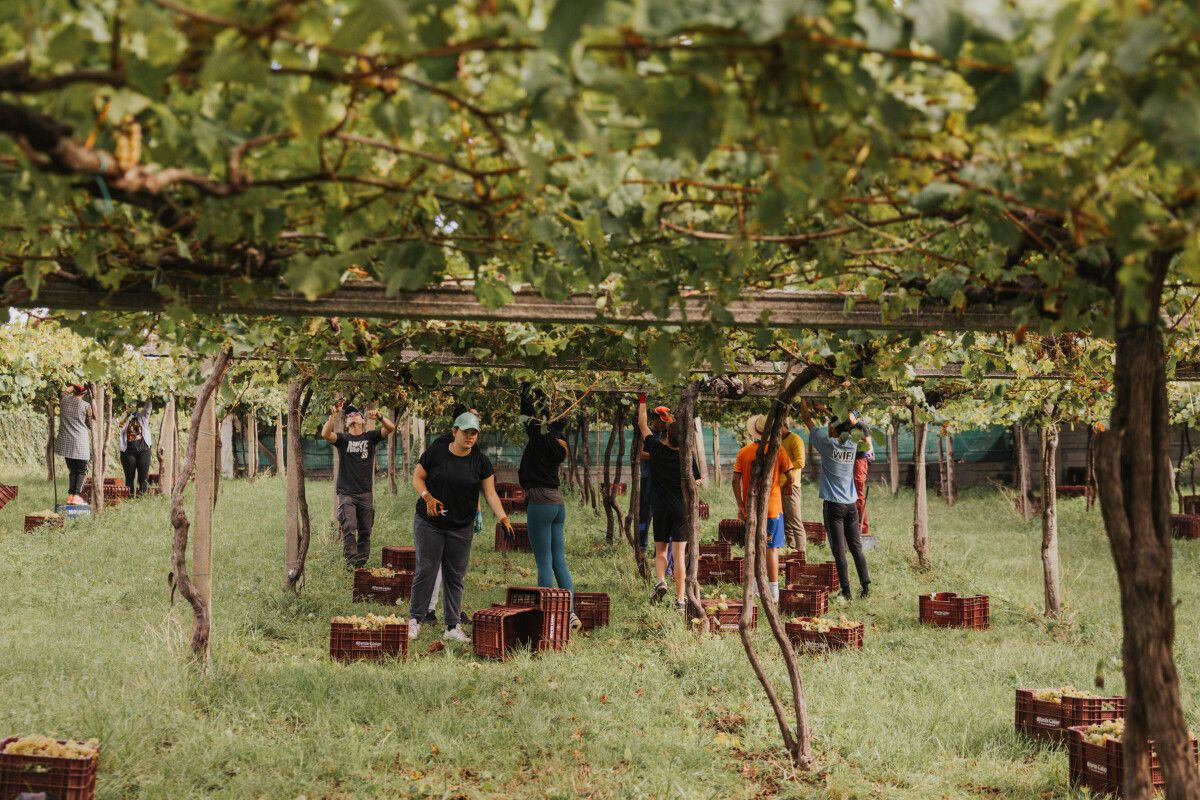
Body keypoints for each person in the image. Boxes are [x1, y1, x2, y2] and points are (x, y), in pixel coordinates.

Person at [410, 411, 514, 642]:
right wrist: (427, 498)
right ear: (455, 431)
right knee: (426, 570)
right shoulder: (437, 452)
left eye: (474, 433)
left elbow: (490, 493)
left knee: (455, 575)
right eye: (466, 432)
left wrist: (504, 518)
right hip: (430, 523)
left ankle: (452, 626)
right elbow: (417, 478)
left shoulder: (480, 461)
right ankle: (414, 620)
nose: (470, 437)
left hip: (461, 526)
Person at [518, 385, 580, 631]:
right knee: (558, 560)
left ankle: (547, 615)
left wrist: (525, 390)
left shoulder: (541, 437)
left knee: (543, 562)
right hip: (557, 502)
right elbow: (540, 419)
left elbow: (528, 417)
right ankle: (570, 612)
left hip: (541, 501)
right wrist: (542, 397)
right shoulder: (561, 443)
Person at [800, 400, 871, 600]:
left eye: (829, 425)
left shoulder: (827, 444)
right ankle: (865, 587)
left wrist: (803, 399)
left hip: (834, 506)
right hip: (851, 505)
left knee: (839, 549)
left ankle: (846, 591)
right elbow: (852, 424)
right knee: (856, 546)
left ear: (832, 429)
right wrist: (827, 409)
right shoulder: (852, 444)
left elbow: (807, 420)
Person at [636, 395, 700, 609]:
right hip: (681, 509)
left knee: (660, 550)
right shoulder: (686, 457)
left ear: (664, 433)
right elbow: (697, 481)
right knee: (679, 555)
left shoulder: (655, 448)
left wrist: (642, 399)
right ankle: (681, 600)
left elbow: (642, 424)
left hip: (660, 507)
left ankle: (661, 580)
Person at [423, 402, 478, 626]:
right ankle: (427, 609)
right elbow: (422, 477)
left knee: (455, 570)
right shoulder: (439, 447)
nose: (473, 430)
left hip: (460, 518)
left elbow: (474, 484)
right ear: (457, 426)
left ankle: (452, 613)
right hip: (439, 517)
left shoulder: (472, 449)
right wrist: (429, 500)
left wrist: (477, 510)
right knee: (434, 564)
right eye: (470, 422)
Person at [321, 400, 395, 568]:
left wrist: (380, 416)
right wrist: (333, 414)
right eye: (348, 415)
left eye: (355, 414)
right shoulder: (343, 439)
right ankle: (351, 563)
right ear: (346, 423)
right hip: (346, 493)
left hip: (365, 493)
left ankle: (361, 565)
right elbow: (326, 434)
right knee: (349, 526)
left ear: (363, 420)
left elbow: (390, 428)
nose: (351, 416)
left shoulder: (370, 437)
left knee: (365, 530)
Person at [732, 414, 793, 603]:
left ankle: (757, 586)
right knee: (771, 549)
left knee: (754, 547)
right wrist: (782, 488)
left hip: (751, 507)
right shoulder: (777, 450)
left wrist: (741, 505)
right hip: (773, 507)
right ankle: (773, 591)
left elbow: (735, 480)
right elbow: (790, 476)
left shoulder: (744, 452)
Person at [637, 406, 670, 551]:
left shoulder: (666, 434)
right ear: (655, 419)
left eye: (665, 422)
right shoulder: (646, 434)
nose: (663, 424)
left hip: (661, 478)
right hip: (648, 477)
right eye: (662, 421)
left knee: (661, 512)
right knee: (645, 512)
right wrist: (658, 455)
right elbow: (641, 454)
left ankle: (660, 547)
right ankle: (642, 545)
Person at [54, 384, 91, 505]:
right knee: (82, 471)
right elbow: (90, 425)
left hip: (66, 443)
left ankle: (71, 496)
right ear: (84, 394)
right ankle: (76, 495)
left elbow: (63, 393)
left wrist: (70, 388)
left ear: (73, 391)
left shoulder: (64, 401)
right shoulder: (86, 406)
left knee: (73, 470)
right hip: (80, 442)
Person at [780, 419, 807, 550]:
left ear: (782, 425)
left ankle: (801, 555)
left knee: (795, 522)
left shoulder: (795, 439)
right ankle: (791, 550)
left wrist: (784, 467)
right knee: (786, 522)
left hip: (791, 485)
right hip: (779, 485)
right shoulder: (779, 440)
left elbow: (801, 462)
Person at [118, 400, 153, 496]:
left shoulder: (142, 417)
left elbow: (148, 407)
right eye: (127, 406)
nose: (129, 407)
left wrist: (148, 394)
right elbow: (120, 425)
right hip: (128, 452)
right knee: (129, 478)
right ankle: (130, 498)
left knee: (143, 477)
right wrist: (128, 415)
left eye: (130, 405)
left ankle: (142, 498)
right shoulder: (123, 417)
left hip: (144, 451)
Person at [849, 411, 874, 536]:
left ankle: (863, 526)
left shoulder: (860, 426)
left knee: (859, 493)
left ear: (855, 415)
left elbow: (869, 445)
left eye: (850, 413)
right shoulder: (847, 427)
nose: (847, 416)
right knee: (851, 493)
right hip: (850, 461)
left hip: (859, 460)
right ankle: (854, 524)